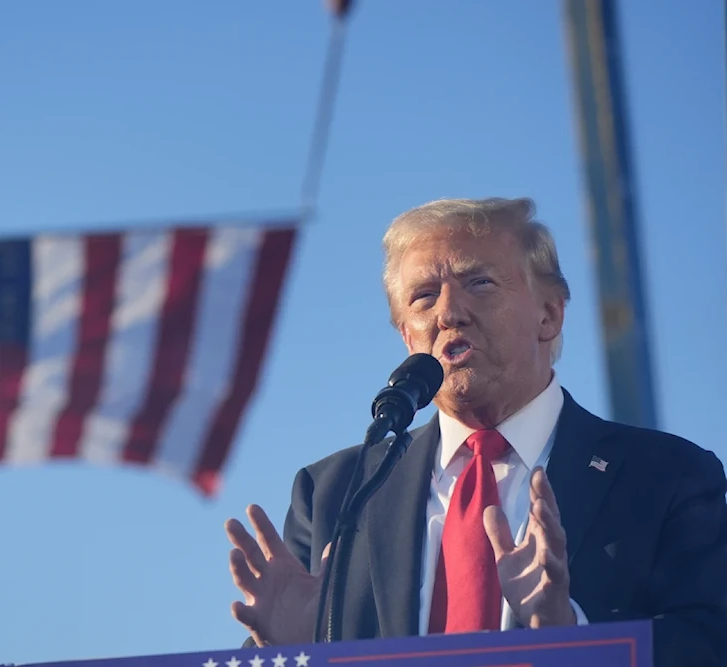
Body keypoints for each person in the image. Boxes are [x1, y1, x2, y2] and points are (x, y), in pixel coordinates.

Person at [224, 197, 727, 666]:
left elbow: (709, 642)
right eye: (423, 297)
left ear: (549, 314)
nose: (448, 313)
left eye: (479, 284)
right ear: (407, 337)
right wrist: (290, 656)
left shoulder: (666, 476)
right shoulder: (336, 493)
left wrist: (570, 634)